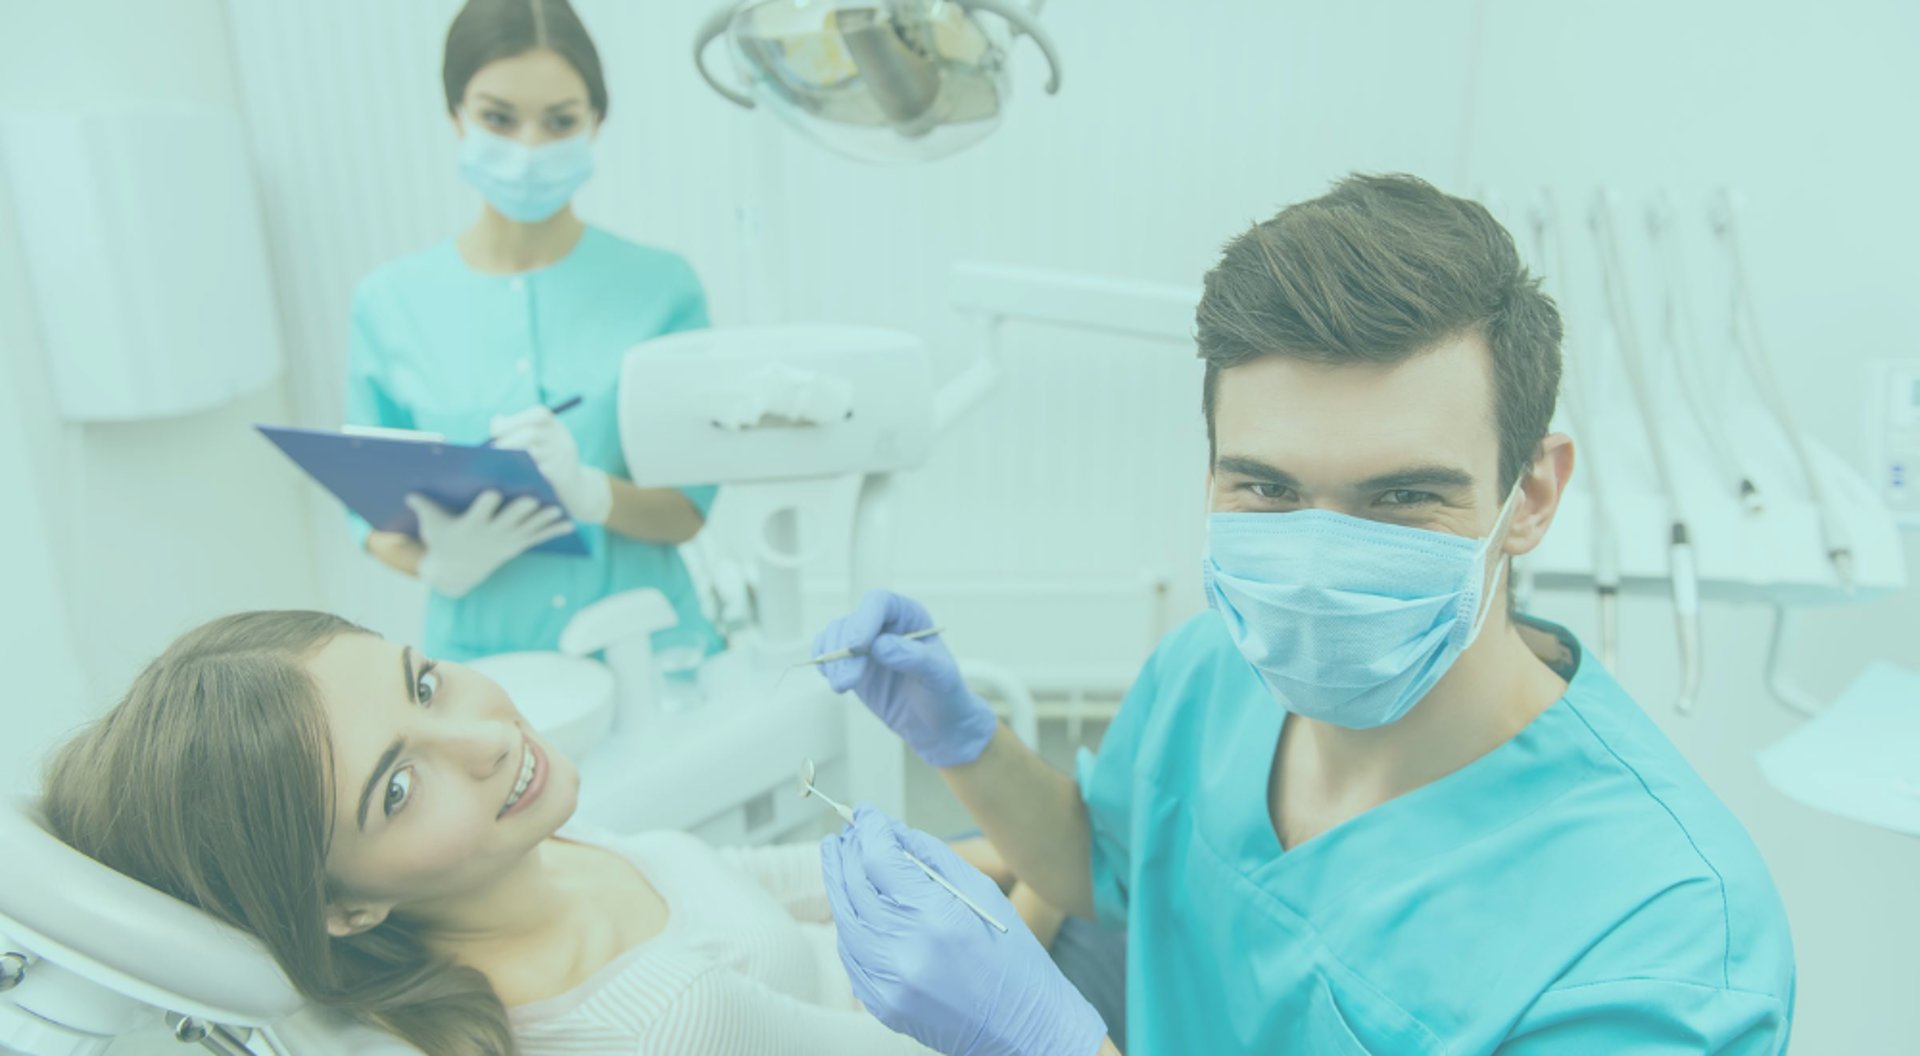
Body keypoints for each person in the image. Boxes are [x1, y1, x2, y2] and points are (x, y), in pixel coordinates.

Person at [810, 174, 1795, 1054]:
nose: (1317, 569)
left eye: (1403, 498)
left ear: (1530, 495)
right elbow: (1108, 874)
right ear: (1211, 473)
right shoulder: (1212, 670)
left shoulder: (1660, 940)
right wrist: (966, 744)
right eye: (1268, 492)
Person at [39, 610, 1075, 1056]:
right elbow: (983, 1030)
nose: (483, 738)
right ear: (345, 904)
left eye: (426, 682)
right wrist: (1064, 885)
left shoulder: (534, 853)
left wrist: (1009, 821)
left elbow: (769, 875)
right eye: (397, 789)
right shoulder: (665, 1021)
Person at [346, 0, 717, 662]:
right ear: (455, 114)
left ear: (595, 122)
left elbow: (687, 511)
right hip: (485, 669)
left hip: (652, 653)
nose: (528, 148)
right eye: (497, 117)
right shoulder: (388, 303)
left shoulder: (663, 290)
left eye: (560, 121)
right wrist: (435, 565)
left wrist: (594, 493)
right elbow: (368, 515)